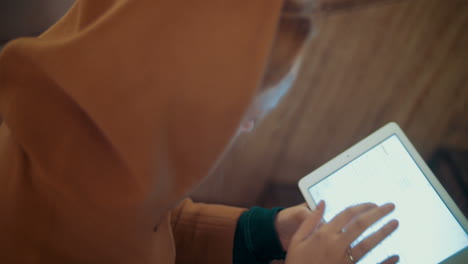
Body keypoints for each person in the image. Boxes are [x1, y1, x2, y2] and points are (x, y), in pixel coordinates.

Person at [0, 0, 399, 263]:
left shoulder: (83, 137)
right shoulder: (50, 243)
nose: (246, 130)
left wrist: (263, 231)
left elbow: (157, 223)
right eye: (238, 117)